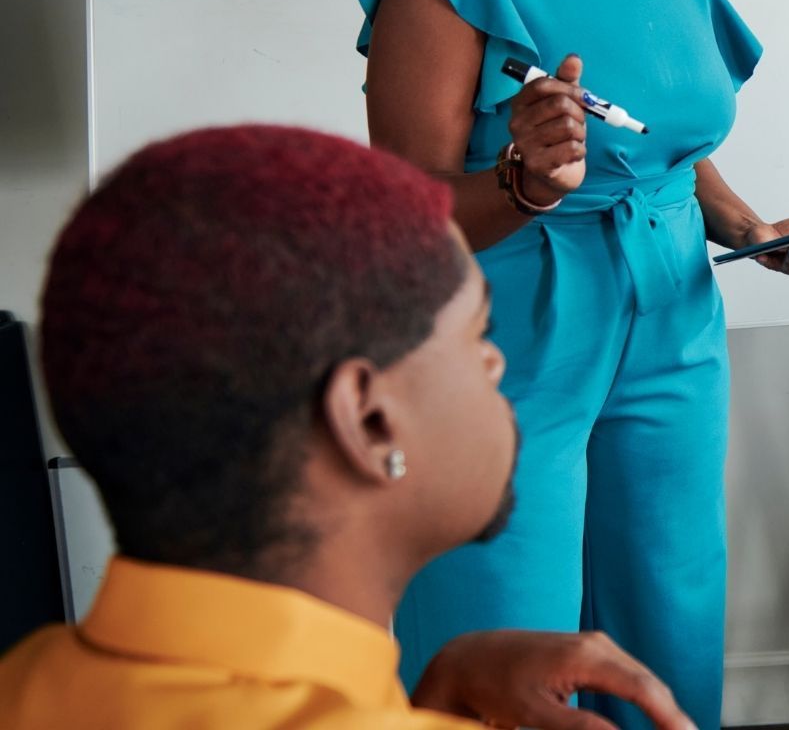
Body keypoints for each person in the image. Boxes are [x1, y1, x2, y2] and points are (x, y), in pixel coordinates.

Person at [352, 0, 789, 727]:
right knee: (503, 622)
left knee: (668, 608)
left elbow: (665, 146)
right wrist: (525, 181)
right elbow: (403, 220)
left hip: (672, 313)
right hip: (505, 325)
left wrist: (748, 229)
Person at [0, 124, 692, 730]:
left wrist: (433, 701)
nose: (495, 361)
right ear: (369, 420)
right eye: (478, 334)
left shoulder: (24, 681)